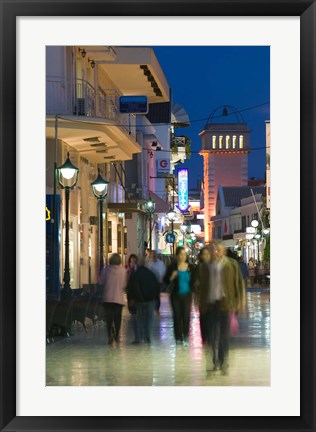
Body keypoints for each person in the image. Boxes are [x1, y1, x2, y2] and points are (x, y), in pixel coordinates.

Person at [198, 242, 245, 374]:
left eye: (218, 250)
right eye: (214, 251)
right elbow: (200, 287)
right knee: (211, 336)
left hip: (225, 304)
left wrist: (239, 301)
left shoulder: (231, 265)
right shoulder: (204, 267)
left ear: (223, 251)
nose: (216, 253)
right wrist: (200, 303)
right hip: (210, 304)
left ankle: (223, 360)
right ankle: (213, 360)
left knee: (224, 335)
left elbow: (238, 283)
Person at [164, 247, 194, 346]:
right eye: (181, 254)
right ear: (177, 256)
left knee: (186, 316)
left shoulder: (190, 267)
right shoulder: (172, 267)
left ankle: (185, 336)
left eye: (184, 254)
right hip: (175, 295)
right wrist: (172, 276)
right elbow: (165, 280)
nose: (183, 256)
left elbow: (194, 281)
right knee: (177, 316)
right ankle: (178, 337)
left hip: (187, 295)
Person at [126, 257, 160, 344]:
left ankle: (138, 338)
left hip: (138, 300)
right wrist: (157, 301)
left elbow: (130, 288)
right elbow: (156, 287)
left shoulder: (135, 274)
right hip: (149, 300)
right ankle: (147, 336)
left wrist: (130, 300)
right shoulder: (151, 273)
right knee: (149, 318)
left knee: (138, 319)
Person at [98, 253, 127, 345]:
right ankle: (117, 335)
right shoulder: (123, 271)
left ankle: (109, 336)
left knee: (109, 319)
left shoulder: (105, 270)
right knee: (118, 318)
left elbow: (101, 282)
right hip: (118, 298)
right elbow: (124, 285)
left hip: (107, 298)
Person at [194, 247, 211, 345]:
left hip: (212, 296)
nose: (206, 256)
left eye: (207, 254)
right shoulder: (199, 267)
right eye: (204, 254)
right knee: (203, 317)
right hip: (202, 296)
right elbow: (194, 282)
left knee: (211, 317)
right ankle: (204, 337)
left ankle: (210, 335)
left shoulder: (214, 266)